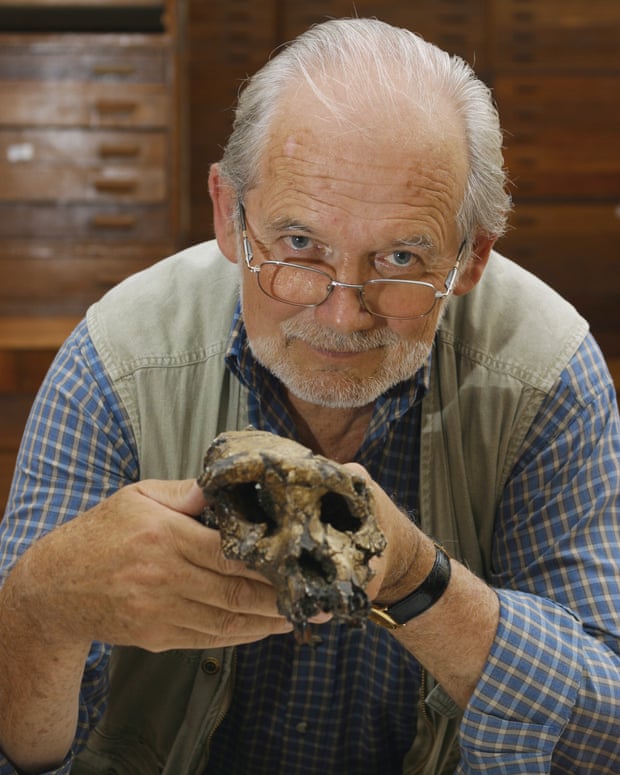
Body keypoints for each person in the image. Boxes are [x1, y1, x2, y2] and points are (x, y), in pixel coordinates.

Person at [0, 16, 618, 775]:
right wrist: (37, 609)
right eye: (299, 246)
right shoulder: (118, 359)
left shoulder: (547, 374)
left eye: (399, 256)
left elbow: (606, 733)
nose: (341, 312)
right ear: (229, 214)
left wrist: (417, 577)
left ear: (471, 257)